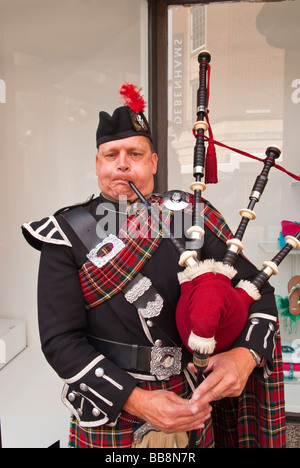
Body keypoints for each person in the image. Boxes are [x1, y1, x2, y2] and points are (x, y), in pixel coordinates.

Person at [22, 86, 285, 448]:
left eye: (135, 153)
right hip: (111, 408)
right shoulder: (66, 233)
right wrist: (138, 401)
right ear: (98, 163)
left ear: (154, 162)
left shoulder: (189, 218)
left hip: (190, 398)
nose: (123, 164)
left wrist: (244, 356)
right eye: (111, 154)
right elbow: (60, 342)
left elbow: (260, 293)